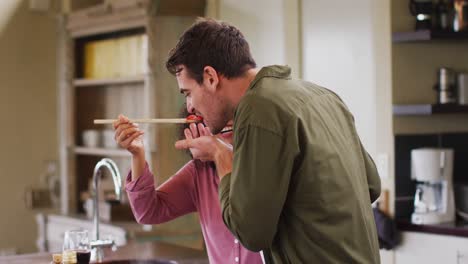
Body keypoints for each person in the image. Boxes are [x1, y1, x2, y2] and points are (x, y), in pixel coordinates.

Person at [166, 18, 382, 263]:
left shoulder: (258, 109)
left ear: (210, 77)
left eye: (188, 93)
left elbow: (251, 232)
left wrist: (222, 156)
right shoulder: (323, 96)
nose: (190, 106)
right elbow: (371, 184)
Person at [112, 114, 263, 264]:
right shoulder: (199, 172)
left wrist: (221, 151)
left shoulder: (267, 164)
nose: (227, 117)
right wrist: (137, 154)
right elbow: (148, 212)